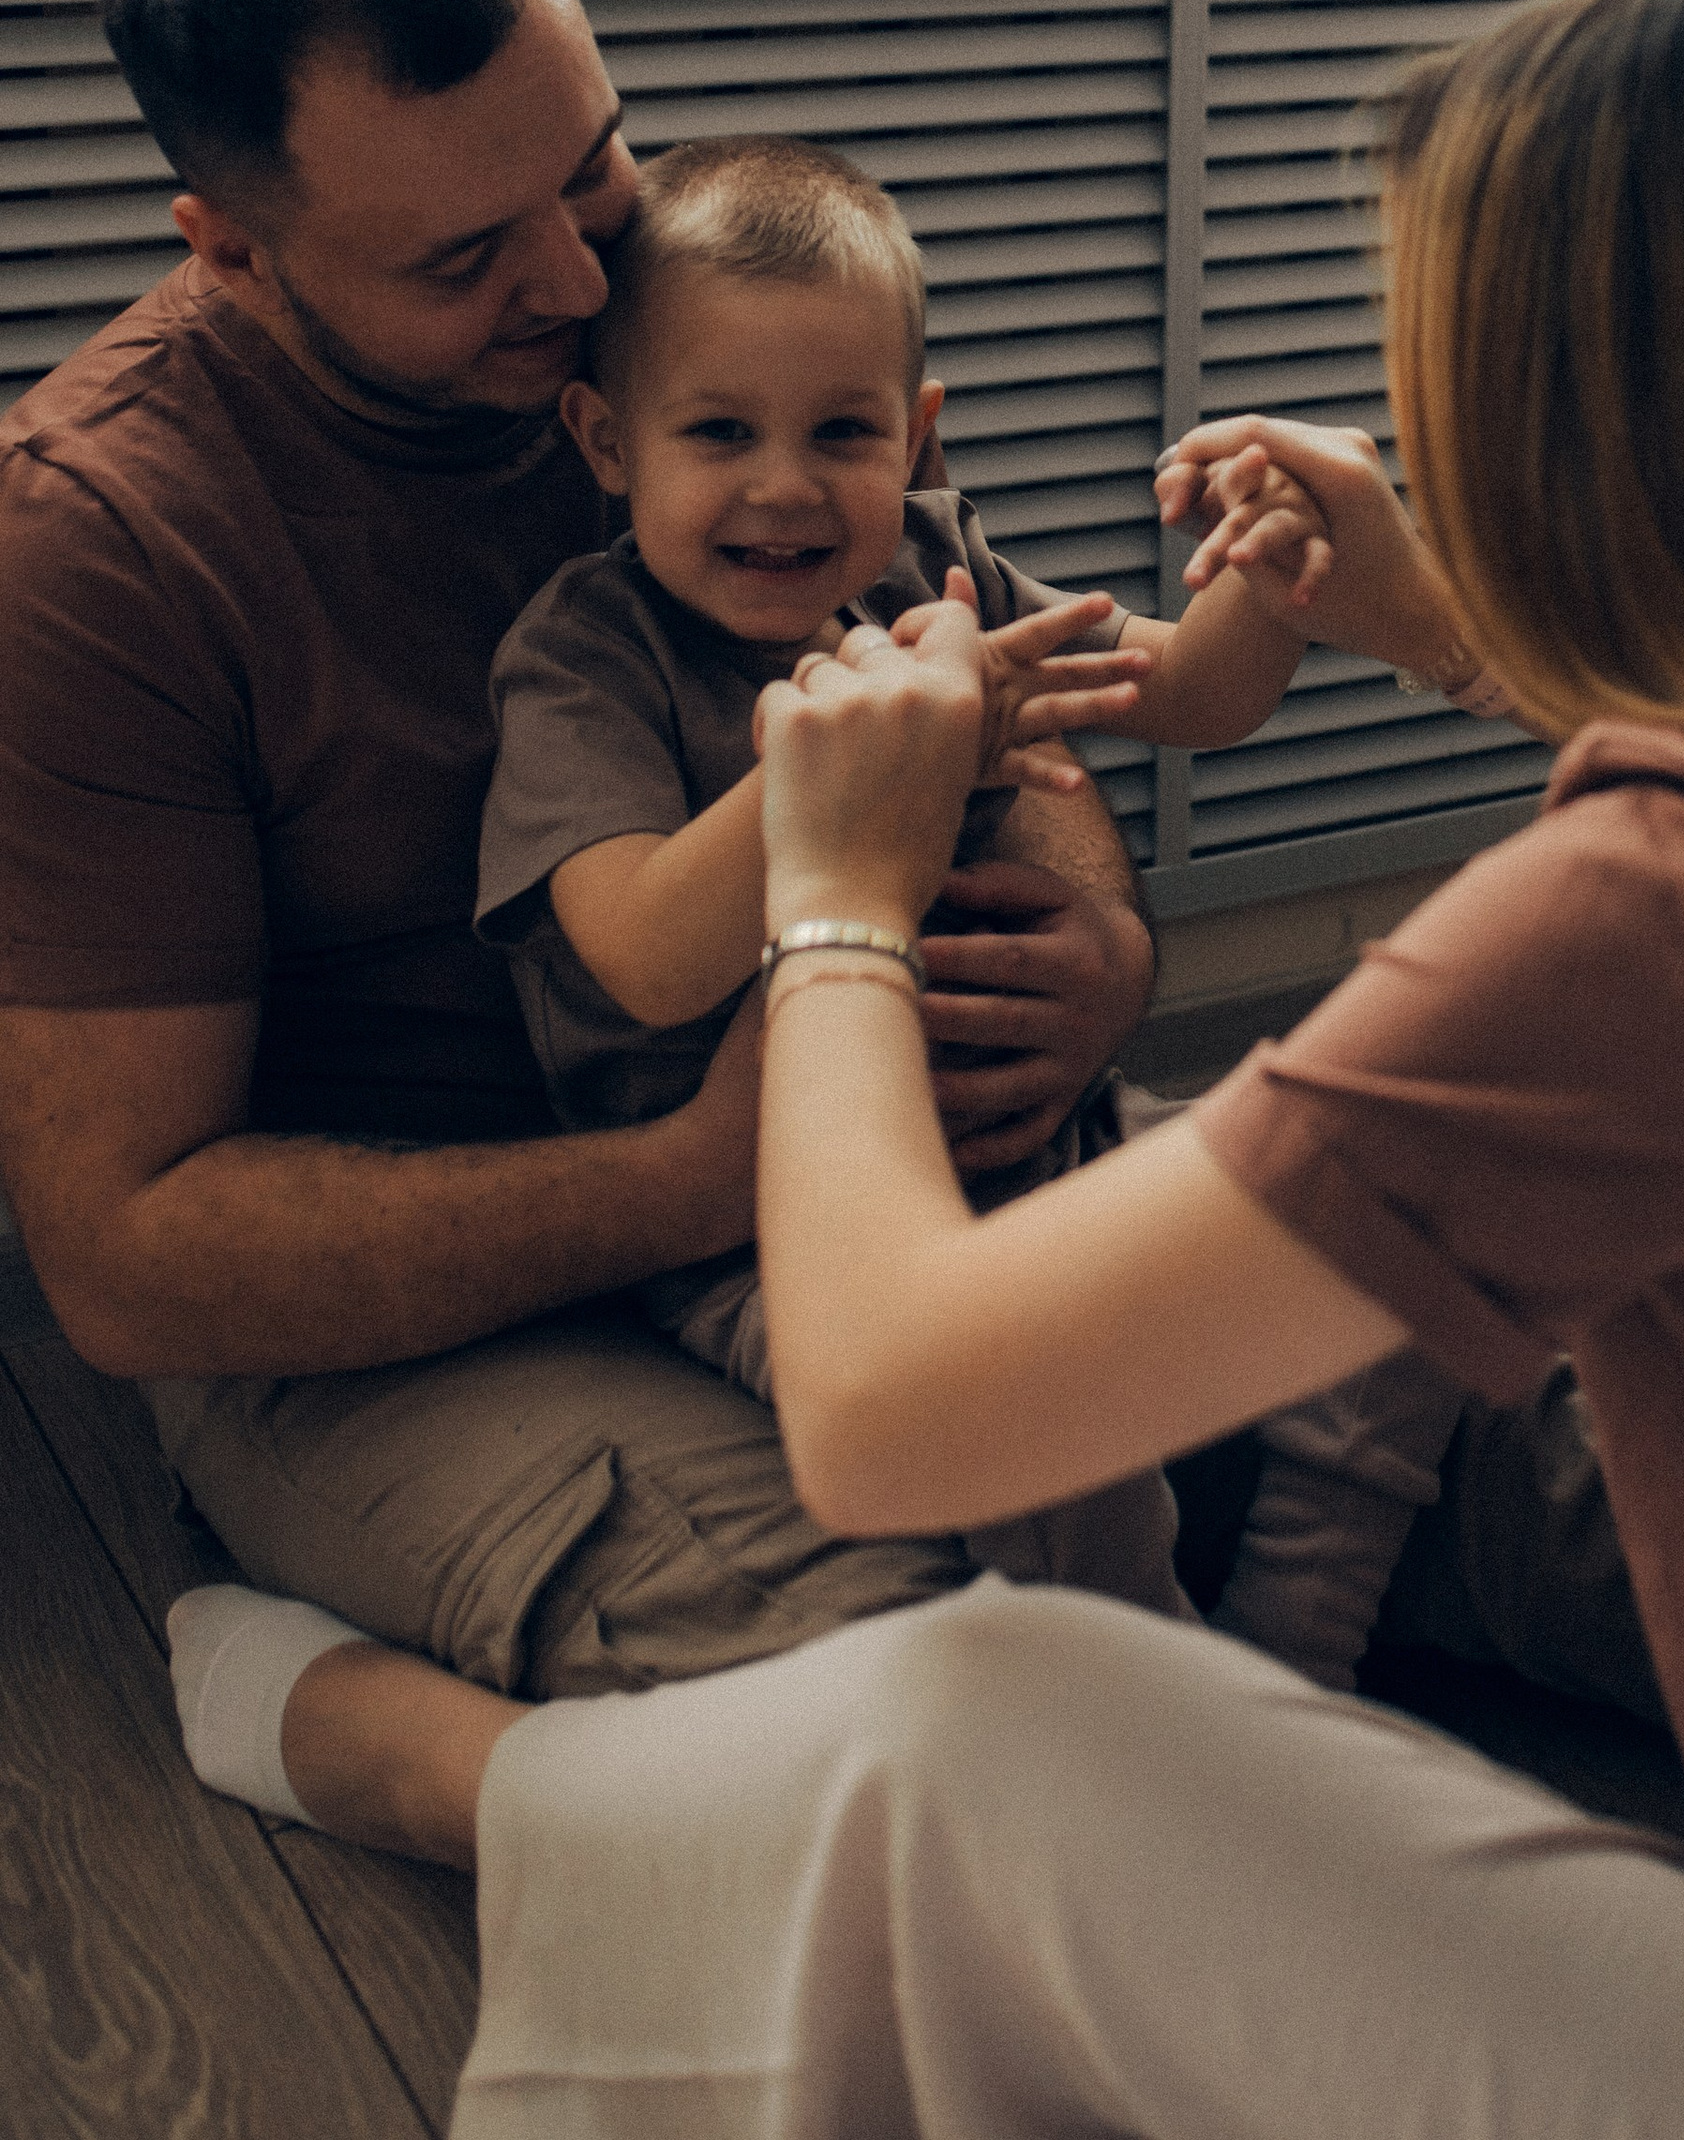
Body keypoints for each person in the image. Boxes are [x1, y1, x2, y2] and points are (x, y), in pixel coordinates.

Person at [172, 0, 1684, 2140]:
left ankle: (484, 1784)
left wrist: (833, 899)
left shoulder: (1663, 911)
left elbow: (890, 1421)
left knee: (1002, 1706)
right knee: (1244, 1228)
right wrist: (1430, 616)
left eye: (1434, 403)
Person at [0, 0, 1159, 1699]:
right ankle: (351, 1730)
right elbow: (134, 1262)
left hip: (862, 1178)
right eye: (464, 257)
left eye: (591, 161)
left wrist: (1093, 954)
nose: (565, 280)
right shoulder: (93, 554)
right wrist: (702, 1177)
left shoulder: (674, 314)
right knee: (960, 1681)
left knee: (1517, 1379)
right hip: (430, 1319)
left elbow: (953, 664)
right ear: (232, 251)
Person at [473, 127, 1467, 1667]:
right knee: (1056, 1449)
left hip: (1040, 1137)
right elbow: (641, 957)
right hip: (759, 1241)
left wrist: (1269, 586)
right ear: (608, 443)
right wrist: (849, 773)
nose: (785, 490)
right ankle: (1162, 1710)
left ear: (919, 439)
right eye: (720, 432)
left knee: (1386, 1223)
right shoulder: (588, 654)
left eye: (845, 434)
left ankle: (1294, 1646)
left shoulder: (935, 572)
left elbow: (1184, 696)